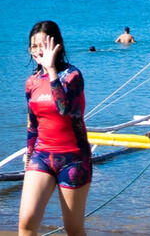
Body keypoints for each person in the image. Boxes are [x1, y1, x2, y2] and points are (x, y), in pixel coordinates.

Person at [20, 20, 91, 236]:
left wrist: (51, 71)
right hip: (42, 156)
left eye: (43, 45)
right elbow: (33, 124)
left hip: (73, 159)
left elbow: (64, 110)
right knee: (27, 223)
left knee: (73, 229)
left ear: (57, 45)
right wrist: (29, 154)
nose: (38, 51)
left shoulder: (72, 77)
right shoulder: (31, 82)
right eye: (34, 46)